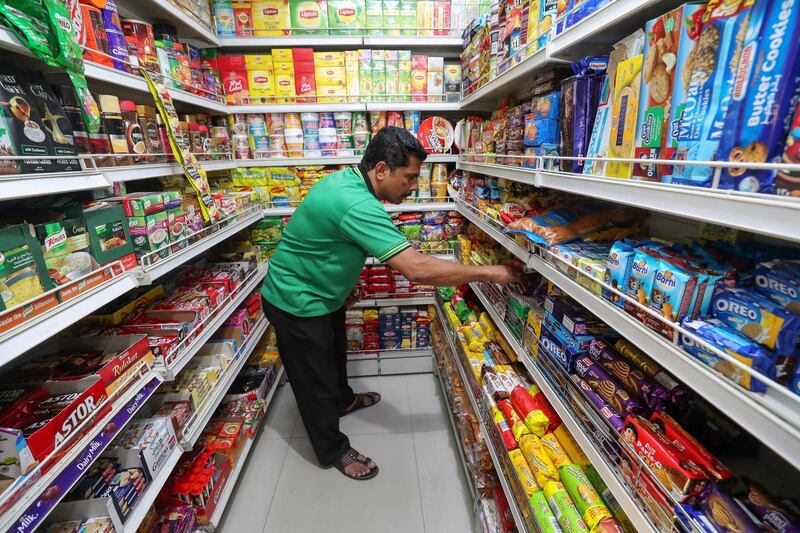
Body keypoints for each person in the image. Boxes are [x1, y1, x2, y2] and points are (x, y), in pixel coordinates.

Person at [261, 126, 519, 481]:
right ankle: (332, 448)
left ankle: (344, 400)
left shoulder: (347, 182)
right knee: (314, 378)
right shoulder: (358, 204)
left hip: (320, 293)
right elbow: (414, 269)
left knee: (335, 355)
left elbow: (329, 243)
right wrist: (488, 272)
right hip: (297, 302)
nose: (413, 186)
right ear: (381, 170)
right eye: (409, 177)